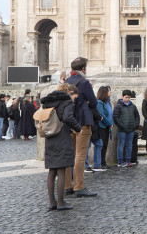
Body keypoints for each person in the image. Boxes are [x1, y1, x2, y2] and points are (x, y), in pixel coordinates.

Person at [41, 84, 82, 211]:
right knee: (61, 170)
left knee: (51, 171)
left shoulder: (48, 103)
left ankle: (52, 203)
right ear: (69, 92)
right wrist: (78, 128)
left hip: (50, 137)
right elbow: (67, 117)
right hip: (62, 136)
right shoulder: (66, 102)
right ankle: (61, 202)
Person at [64, 57, 99, 198]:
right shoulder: (83, 82)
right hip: (82, 122)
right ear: (83, 69)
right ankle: (79, 186)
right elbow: (95, 102)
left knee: (69, 154)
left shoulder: (66, 81)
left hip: (69, 121)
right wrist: (87, 103)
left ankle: (67, 185)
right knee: (80, 154)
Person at [113, 89, 139, 167]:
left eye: (128, 97)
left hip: (131, 129)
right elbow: (115, 117)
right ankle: (120, 161)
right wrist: (122, 125)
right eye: (126, 97)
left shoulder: (133, 106)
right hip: (122, 129)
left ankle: (128, 160)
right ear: (122, 96)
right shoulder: (118, 106)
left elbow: (137, 116)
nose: (127, 99)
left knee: (129, 145)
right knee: (121, 144)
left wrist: (135, 125)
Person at [97, 86, 115, 168]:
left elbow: (110, 114)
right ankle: (100, 162)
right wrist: (109, 123)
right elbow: (102, 115)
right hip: (102, 126)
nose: (110, 92)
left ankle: (103, 162)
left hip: (108, 126)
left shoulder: (108, 102)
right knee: (102, 145)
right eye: (109, 91)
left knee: (105, 145)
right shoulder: (100, 103)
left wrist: (112, 122)